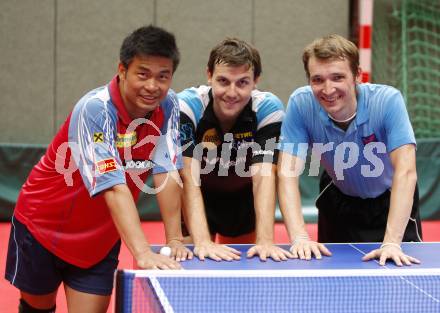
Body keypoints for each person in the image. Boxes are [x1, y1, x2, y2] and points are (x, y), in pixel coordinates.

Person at [5, 25, 192, 313]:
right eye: (143, 74)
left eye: (162, 76)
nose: (153, 86)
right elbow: (115, 187)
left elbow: (166, 170)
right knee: (37, 309)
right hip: (42, 227)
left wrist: (175, 238)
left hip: (100, 239)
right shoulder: (95, 109)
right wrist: (142, 252)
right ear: (122, 70)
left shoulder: (168, 106)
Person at [277, 34, 422, 266]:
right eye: (317, 80)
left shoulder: (388, 101)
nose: (328, 89)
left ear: (357, 76)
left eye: (337, 77)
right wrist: (299, 237)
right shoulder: (301, 104)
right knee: (332, 279)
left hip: (391, 201)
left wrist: (392, 243)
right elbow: (286, 172)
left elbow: (406, 172)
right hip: (338, 200)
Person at [178, 38, 293, 262]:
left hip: (243, 197)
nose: (231, 93)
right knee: (196, 268)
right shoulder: (188, 106)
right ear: (209, 75)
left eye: (242, 83)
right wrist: (201, 241)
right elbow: (187, 176)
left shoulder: (268, 109)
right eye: (223, 81)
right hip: (198, 193)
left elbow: (264, 175)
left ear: (255, 81)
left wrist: (266, 240)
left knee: (242, 267)